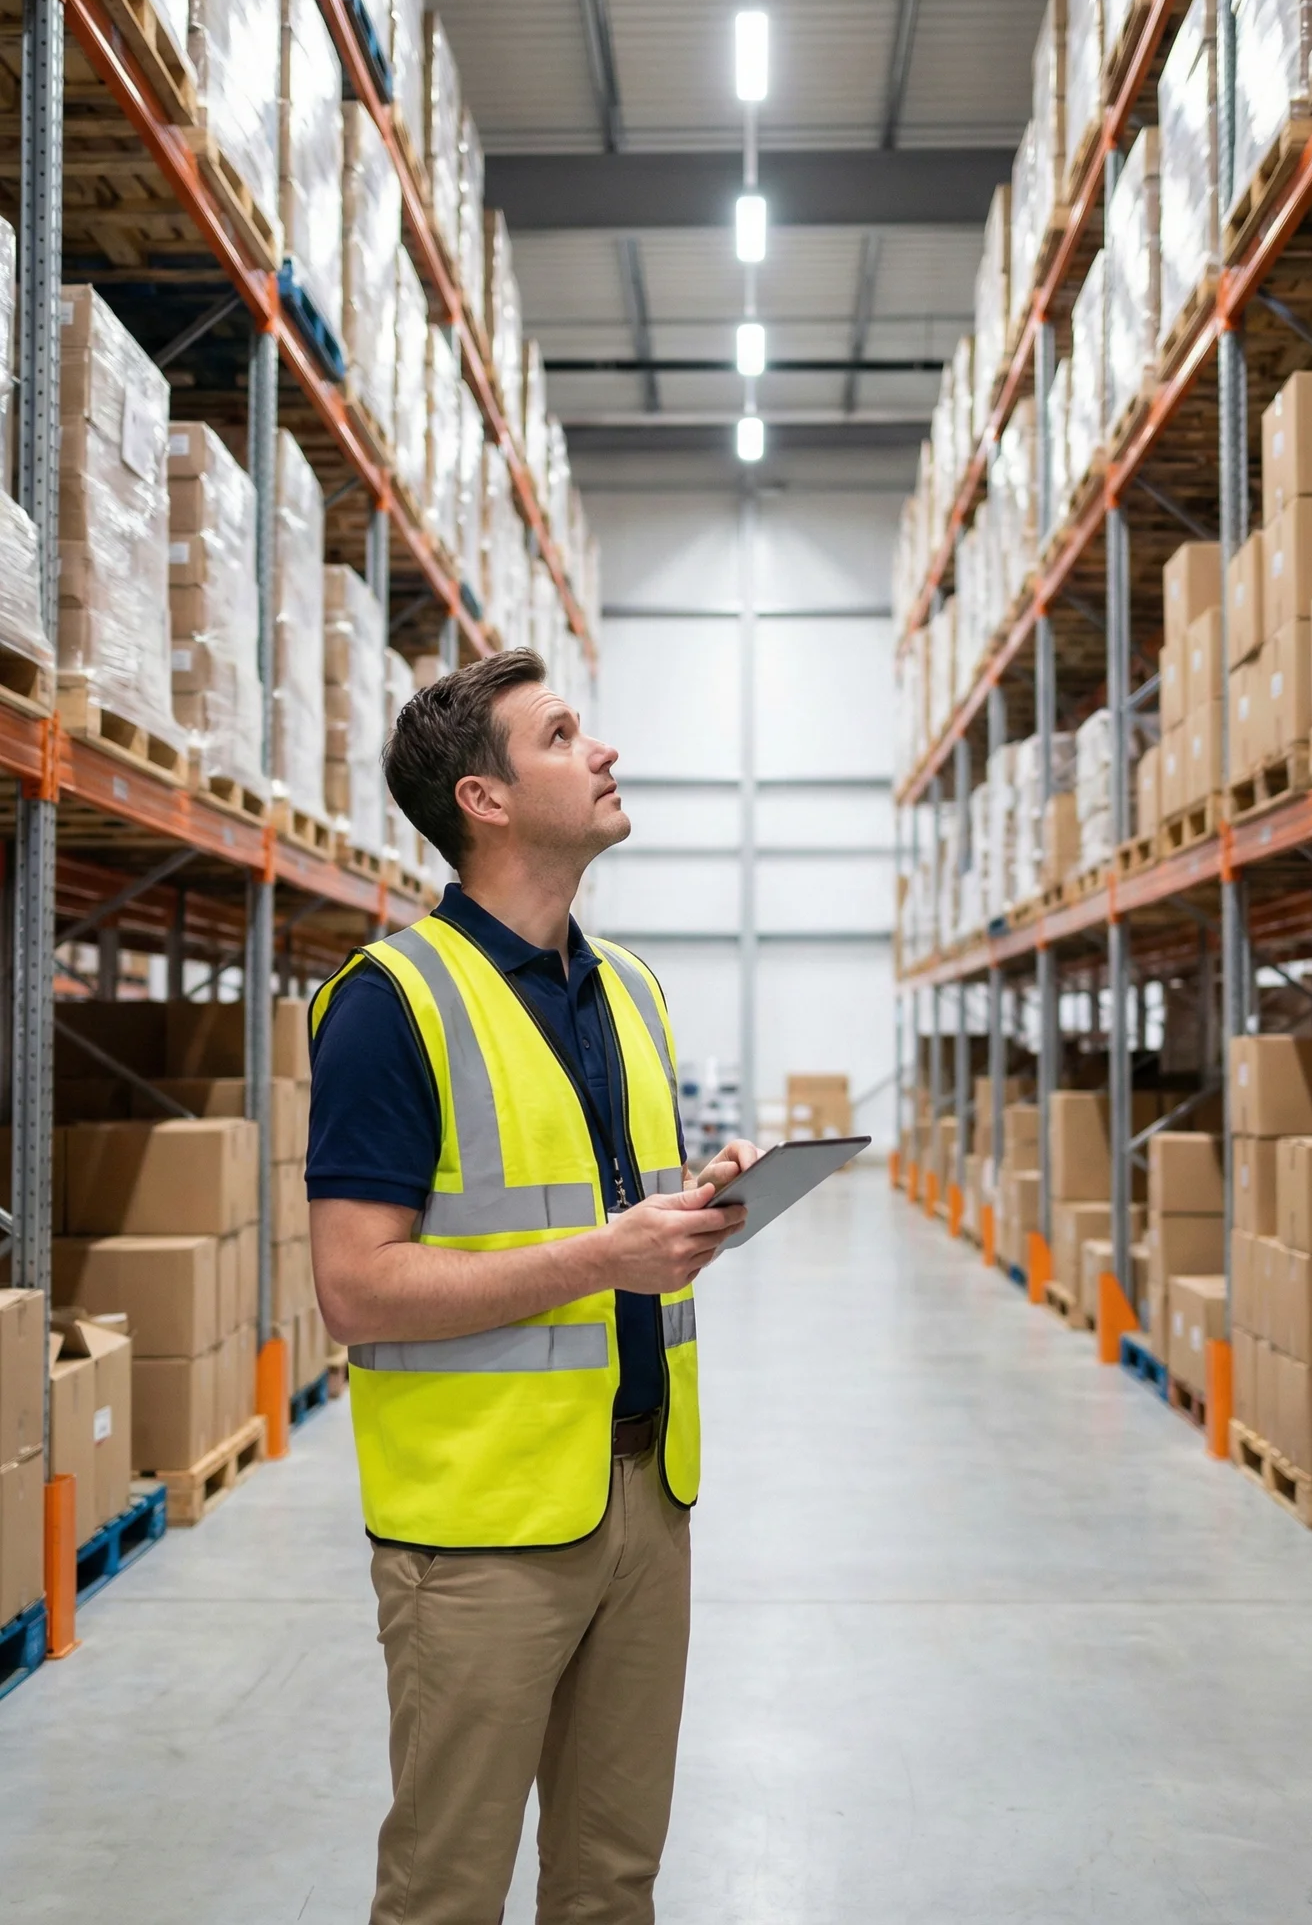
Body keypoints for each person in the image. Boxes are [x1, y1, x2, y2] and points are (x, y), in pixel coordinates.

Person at [306, 647, 760, 1925]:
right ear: (484, 799)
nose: (602, 750)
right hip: (478, 1529)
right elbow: (356, 1287)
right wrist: (605, 1254)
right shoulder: (389, 1003)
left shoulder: (628, 989)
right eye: (562, 735)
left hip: (643, 1491)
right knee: (447, 1891)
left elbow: (602, 1205)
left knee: (611, 1881)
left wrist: (700, 1201)